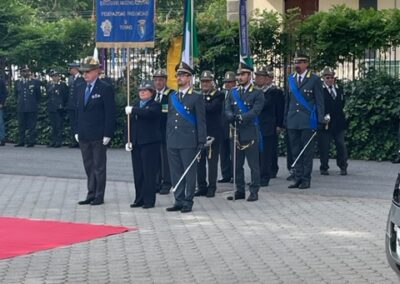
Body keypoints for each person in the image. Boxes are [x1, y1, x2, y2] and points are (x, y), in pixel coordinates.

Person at [166, 62, 206, 213]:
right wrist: (168, 138)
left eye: (183, 75)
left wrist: (201, 140)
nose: (179, 78)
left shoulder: (196, 97)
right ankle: (179, 200)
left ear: (189, 78)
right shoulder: (172, 96)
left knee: (189, 172)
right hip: (173, 140)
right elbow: (170, 120)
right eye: (178, 75)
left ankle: (188, 201)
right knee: (176, 171)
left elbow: (201, 121)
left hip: (189, 140)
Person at [76, 56, 116, 206]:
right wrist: (76, 129)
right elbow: (77, 111)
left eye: (88, 71)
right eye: (83, 72)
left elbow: (110, 112)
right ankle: (90, 193)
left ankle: (99, 195)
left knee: (99, 166)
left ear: (97, 71)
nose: (85, 74)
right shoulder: (80, 87)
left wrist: (108, 133)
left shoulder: (105, 88)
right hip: (84, 133)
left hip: (99, 133)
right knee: (88, 165)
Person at [225, 62, 265, 202]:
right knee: (236, 164)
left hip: (250, 132)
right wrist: (230, 116)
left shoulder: (257, 93)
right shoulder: (232, 92)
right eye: (239, 74)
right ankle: (240, 190)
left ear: (250, 75)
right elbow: (227, 108)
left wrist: (242, 117)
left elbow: (256, 111)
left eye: (243, 74)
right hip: (236, 133)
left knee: (253, 165)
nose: (240, 77)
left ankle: (254, 191)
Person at [285, 53, 324, 189]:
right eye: (296, 62)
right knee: (295, 150)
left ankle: (306, 179)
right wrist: (285, 120)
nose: (297, 65)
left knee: (306, 151)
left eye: (300, 62)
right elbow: (288, 101)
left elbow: (319, 101)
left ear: (306, 64)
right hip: (293, 120)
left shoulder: (314, 79)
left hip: (308, 120)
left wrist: (320, 119)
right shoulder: (290, 79)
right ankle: (297, 177)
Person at [125, 80, 161, 209]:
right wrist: (128, 140)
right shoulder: (135, 105)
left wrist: (133, 110)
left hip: (150, 143)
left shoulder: (155, 105)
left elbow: (148, 113)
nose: (142, 93)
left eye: (145, 90)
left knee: (148, 173)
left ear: (151, 92)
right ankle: (139, 198)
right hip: (136, 142)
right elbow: (129, 125)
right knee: (138, 172)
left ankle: (149, 200)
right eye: (140, 91)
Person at [195, 70, 224, 198]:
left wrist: (200, 105)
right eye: (203, 81)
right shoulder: (198, 95)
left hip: (213, 133)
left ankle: (212, 187)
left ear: (212, 82)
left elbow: (212, 108)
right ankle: (201, 186)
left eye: (207, 81)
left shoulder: (218, 95)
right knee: (199, 162)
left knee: (212, 162)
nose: (205, 84)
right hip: (200, 133)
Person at [255, 66, 284, 186]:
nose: (258, 79)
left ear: (266, 78)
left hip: (268, 125)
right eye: (257, 76)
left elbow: (279, 109)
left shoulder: (274, 92)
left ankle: (265, 176)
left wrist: (279, 124)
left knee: (267, 153)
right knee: (257, 153)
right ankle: (257, 175)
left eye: (260, 76)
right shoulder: (254, 91)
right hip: (256, 125)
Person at [317, 66, 348, 176]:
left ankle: (343, 166)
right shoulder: (320, 91)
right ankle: (324, 167)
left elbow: (342, 104)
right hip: (325, 122)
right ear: (323, 79)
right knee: (324, 146)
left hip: (338, 122)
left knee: (341, 144)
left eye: (331, 78)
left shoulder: (339, 90)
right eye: (327, 77)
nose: (330, 80)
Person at [153, 68, 175, 195]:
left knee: (166, 159)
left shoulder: (171, 94)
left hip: (166, 130)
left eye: (160, 80)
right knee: (155, 158)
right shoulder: (152, 94)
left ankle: (167, 183)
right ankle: (157, 182)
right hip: (154, 132)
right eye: (156, 80)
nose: (158, 82)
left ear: (165, 80)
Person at [14, 65, 41, 147]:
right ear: (21, 72)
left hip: (31, 107)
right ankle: (21, 141)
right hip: (21, 107)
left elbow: (38, 95)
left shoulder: (35, 82)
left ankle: (31, 141)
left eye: (27, 71)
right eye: (24, 71)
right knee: (21, 125)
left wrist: (34, 103)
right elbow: (16, 94)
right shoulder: (18, 82)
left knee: (31, 125)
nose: (25, 72)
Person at [218, 71, 236, 183]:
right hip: (222, 126)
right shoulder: (221, 94)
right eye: (226, 82)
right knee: (223, 152)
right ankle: (226, 175)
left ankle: (234, 175)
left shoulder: (237, 94)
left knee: (233, 153)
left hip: (232, 126)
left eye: (230, 82)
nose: (228, 84)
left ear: (235, 82)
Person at [46, 70, 68, 148]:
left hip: (59, 108)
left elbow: (65, 96)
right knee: (53, 125)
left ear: (58, 76)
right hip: (51, 107)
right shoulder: (49, 85)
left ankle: (58, 141)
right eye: (53, 76)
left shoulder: (62, 85)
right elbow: (48, 96)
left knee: (58, 125)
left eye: (56, 76)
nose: (54, 77)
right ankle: (53, 141)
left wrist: (63, 106)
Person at [66, 62, 85, 148]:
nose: (69, 70)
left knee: (79, 123)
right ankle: (73, 141)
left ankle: (80, 141)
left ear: (75, 69)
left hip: (78, 105)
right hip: (71, 105)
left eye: (71, 68)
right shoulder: (70, 79)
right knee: (72, 124)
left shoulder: (82, 79)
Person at [0, 78, 8, 146]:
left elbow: (5, 92)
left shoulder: (1, 81)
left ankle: (2, 139)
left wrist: (2, 103)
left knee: (0, 123)